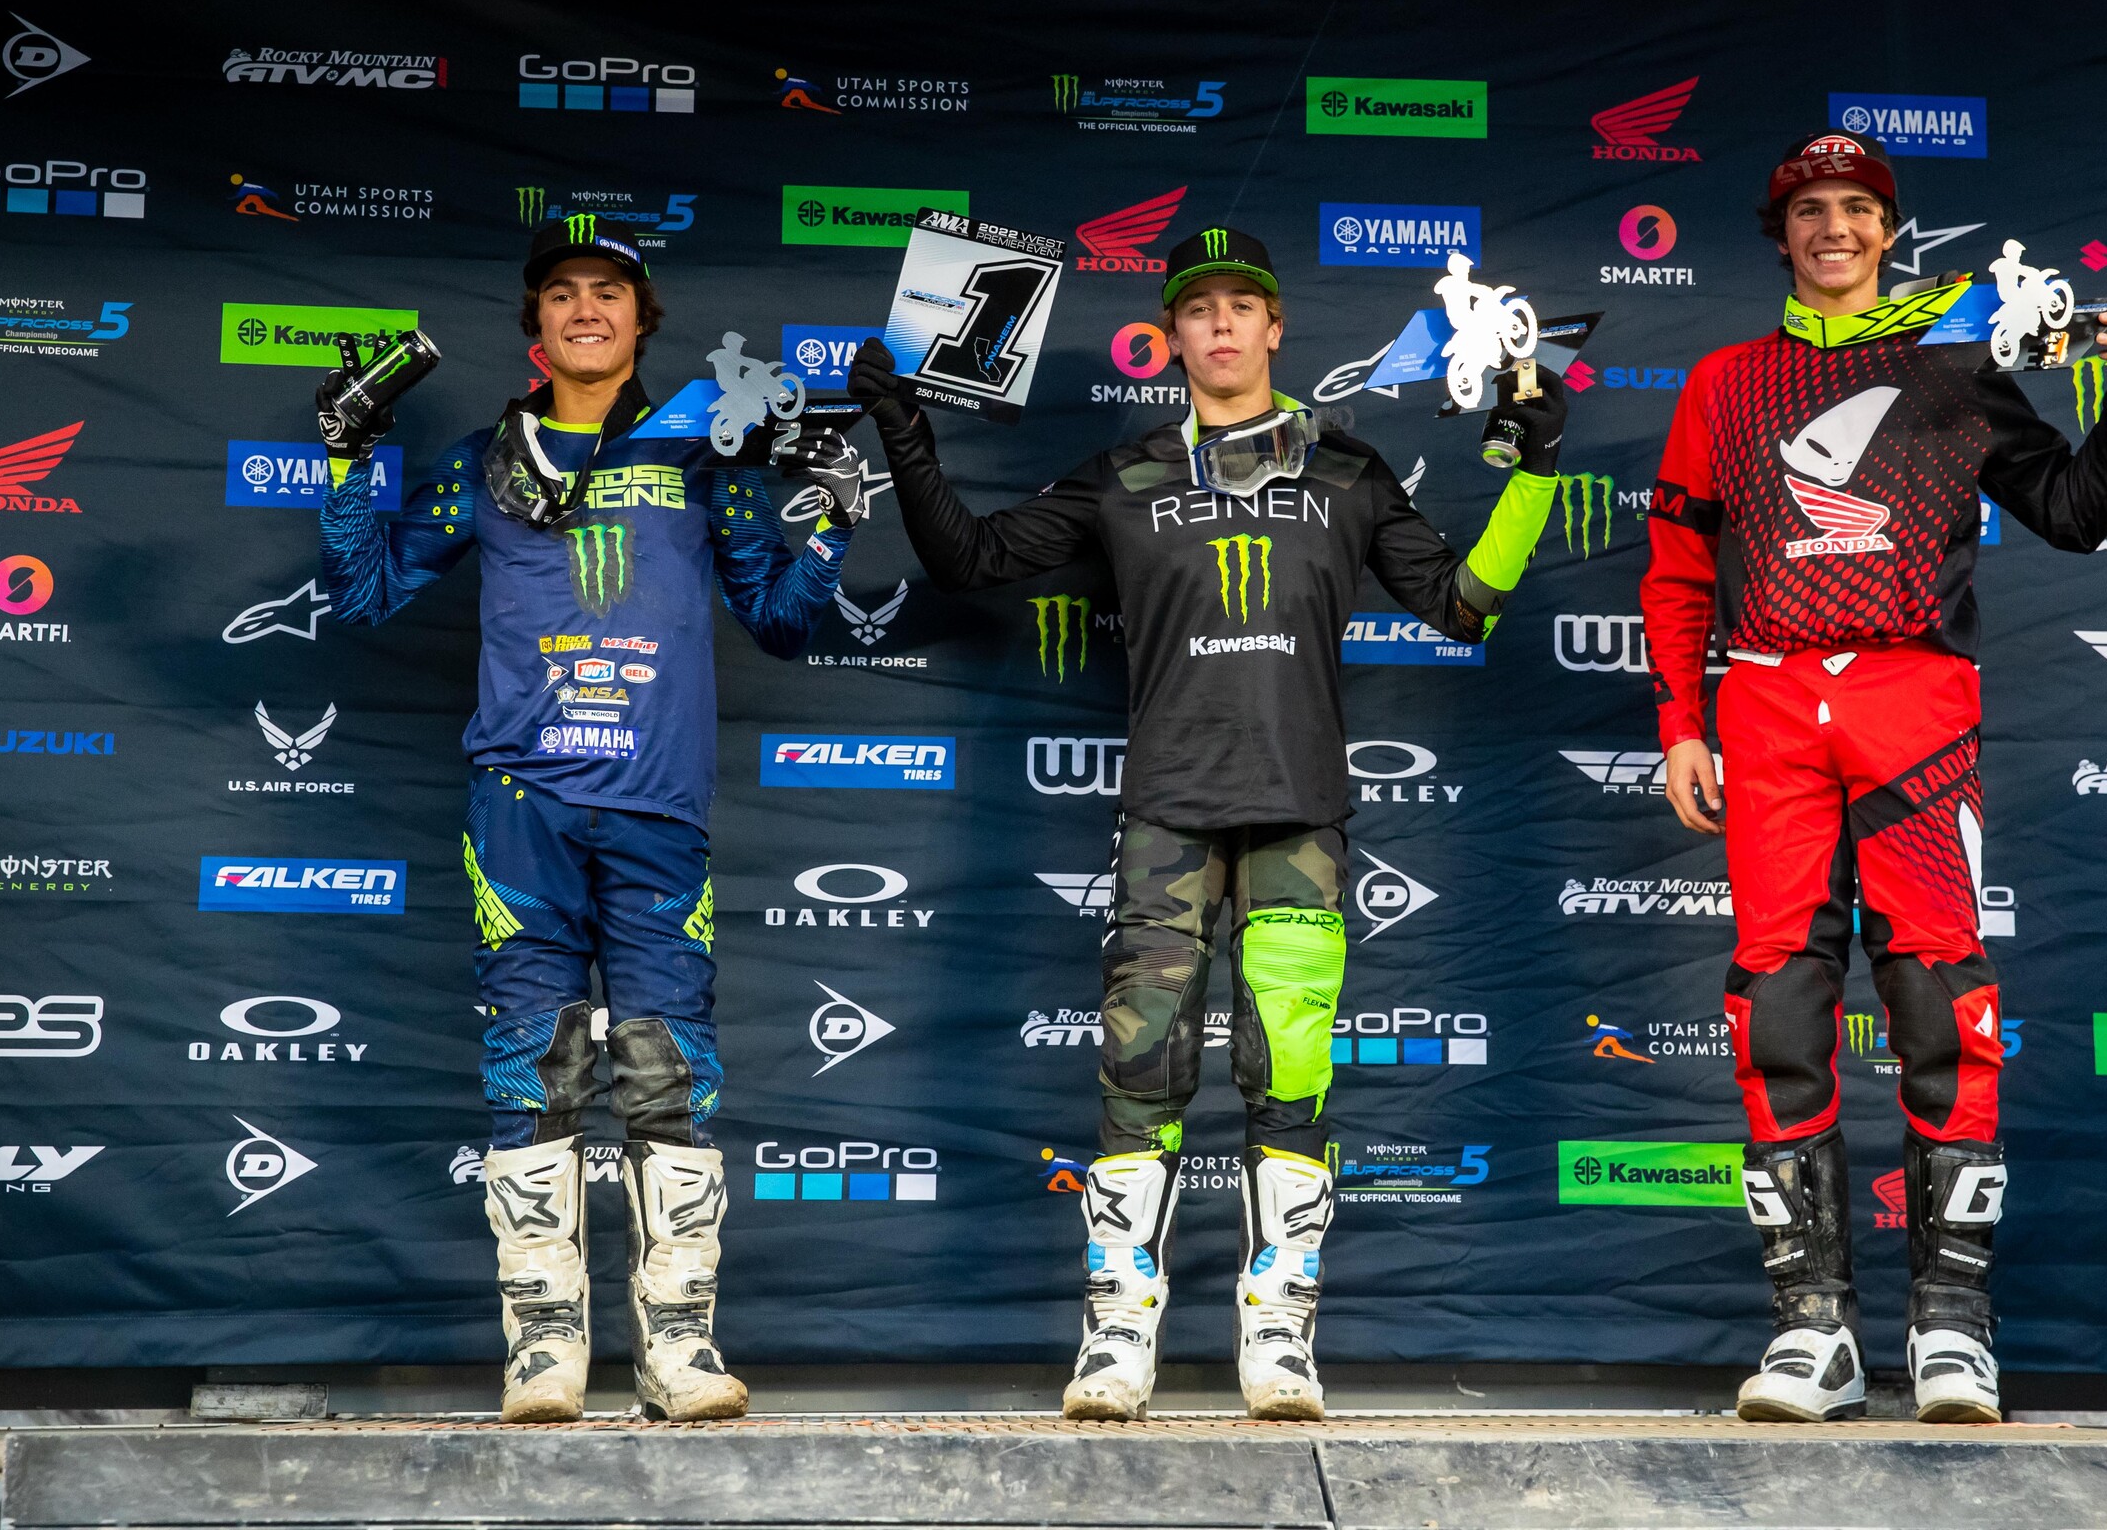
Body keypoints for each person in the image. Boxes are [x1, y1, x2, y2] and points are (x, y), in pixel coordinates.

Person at [847, 226, 1567, 1421]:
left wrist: (1535, 466)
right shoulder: (1124, 476)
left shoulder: (1348, 469)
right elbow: (969, 559)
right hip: (1168, 818)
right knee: (1139, 1075)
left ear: (1277, 326)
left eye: (1242, 304)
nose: (1222, 323)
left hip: (1300, 820)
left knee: (1291, 1081)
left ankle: (1278, 1337)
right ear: (1171, 336)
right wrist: (906, 433)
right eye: (1198, 307)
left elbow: (1465, 606)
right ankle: (1118, 1336)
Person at [1640, 132, 2107, 1424]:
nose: (1833, 227)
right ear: (1780, 234)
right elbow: (1678, 566)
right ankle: (1811, 1331)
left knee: (1943, 1001)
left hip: (1913, 704)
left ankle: (1952, 1327)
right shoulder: (1724, 380)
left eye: (1857, 208)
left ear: (1891, 232)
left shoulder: (1957, 363)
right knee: (1776, 1007)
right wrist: (1680, 723)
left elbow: (2072, 511)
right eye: (1809, 209)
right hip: (1766, 705)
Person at [316, 213, 861, 1423]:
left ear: (641, 317)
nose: (585, 309)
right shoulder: (486, 458)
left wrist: (825, 521)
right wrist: (352, 455)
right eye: (562, 290)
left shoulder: (702, 453)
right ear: (536, 321)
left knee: (671, 1074)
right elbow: (361, 592)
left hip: (656, 810)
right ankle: (544, 1350)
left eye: (608, 291)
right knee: (534, 1069)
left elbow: (781, 620)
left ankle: (680, 1349)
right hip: (523, 807)